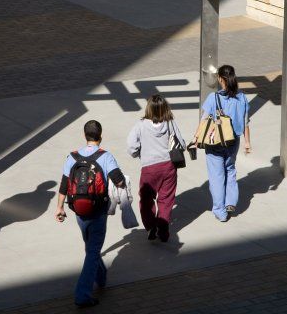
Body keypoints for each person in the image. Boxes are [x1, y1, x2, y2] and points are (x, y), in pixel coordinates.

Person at [55, 120, 126, 308]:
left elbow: (63, 185)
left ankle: (101, 279)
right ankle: (82, 295)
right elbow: (119, 181)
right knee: (93, 250)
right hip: (98, 210)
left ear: (84, 135)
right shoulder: (106, 156)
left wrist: (60, 208)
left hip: (78, 210)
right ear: (100, 136)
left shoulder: (72, 157)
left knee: (91, 248)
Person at [190, 65, 250, 222]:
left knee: (216, 176)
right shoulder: (242, 98)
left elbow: (204, 120)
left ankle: (220, 211)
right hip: (233, 141)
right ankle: (231, 202)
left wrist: (196, 138)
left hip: (214, 142)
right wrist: (247, 142)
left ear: (220, 79)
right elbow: (245, 122)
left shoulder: (213, 98)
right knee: (230, 169)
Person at [126, 94, 185, 242]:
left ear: (149, 108)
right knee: (166, 199)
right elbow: (182, 144)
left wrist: (140, 153)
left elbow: (132, 147)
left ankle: (151, 225)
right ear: (165, 108)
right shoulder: (170, 123)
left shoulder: (140, 125)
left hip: (149, 168)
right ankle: (163, 230)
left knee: (146, 200)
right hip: (169, 166)